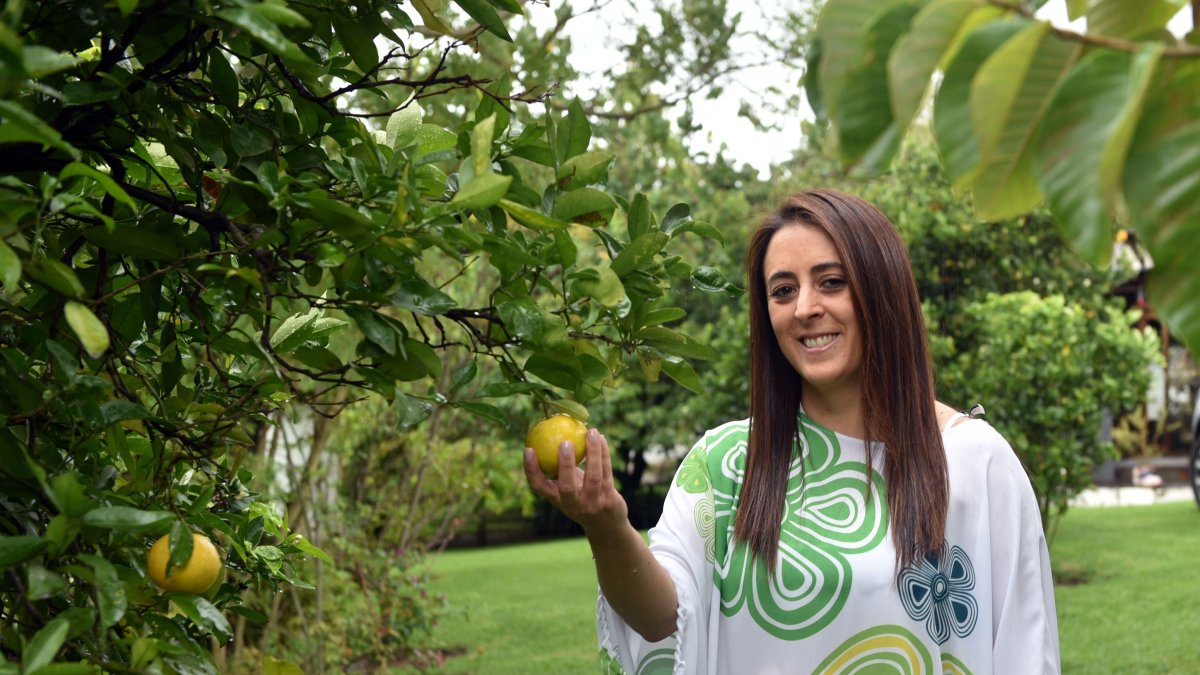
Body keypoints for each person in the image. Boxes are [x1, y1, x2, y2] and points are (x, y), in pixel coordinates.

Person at [524, 189, 1060, 674]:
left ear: (883, 290)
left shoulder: (974, 460)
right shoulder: (728, 462)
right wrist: (607, 524)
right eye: (783, 291)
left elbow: (1024, 648)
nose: (805, 308)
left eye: (831, 282)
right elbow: (664, 619)